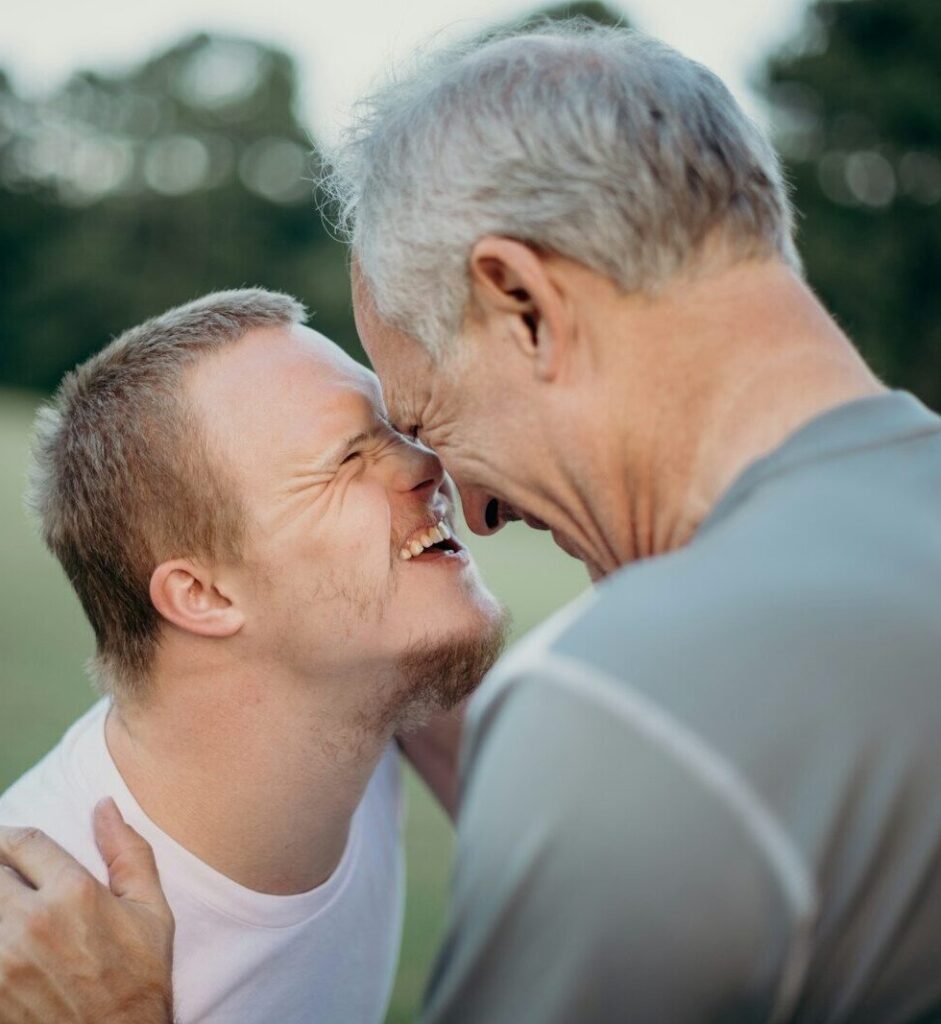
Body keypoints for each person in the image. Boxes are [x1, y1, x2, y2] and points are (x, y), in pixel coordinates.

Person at [2, 21, 941, 1024]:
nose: (471, 505)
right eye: (369, 445)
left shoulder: (629, 719)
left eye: (422, 413)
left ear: (525, 306)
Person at [0, 289, 505, 1024]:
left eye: (396, 428)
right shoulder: (40, 956)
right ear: (202, 594)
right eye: (348, 459)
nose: (428, 463)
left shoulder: (373, 686)